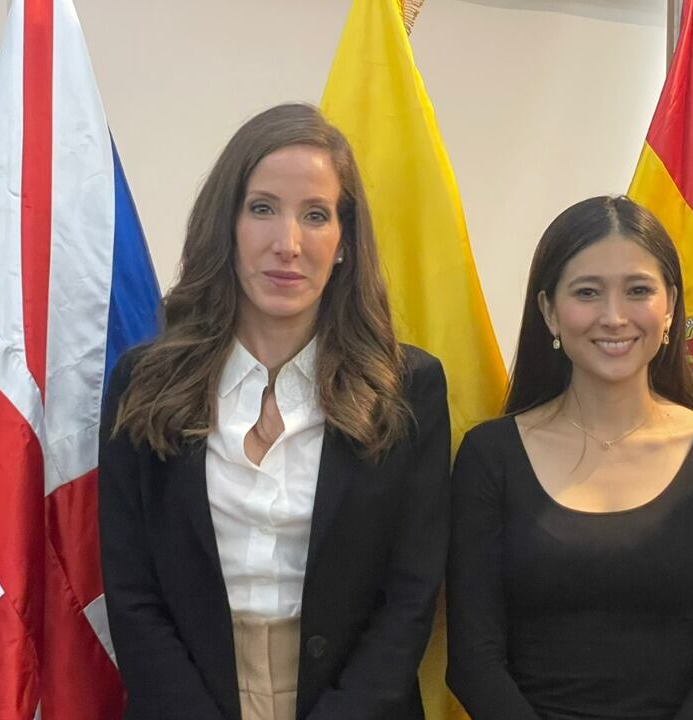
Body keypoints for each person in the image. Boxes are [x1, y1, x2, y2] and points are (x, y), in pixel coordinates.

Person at [98, 103, 450, 720]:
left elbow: (410, 596)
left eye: (315, 215)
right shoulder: (146, 382)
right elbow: (132, 594)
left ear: (344, 242)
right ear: (226, 226)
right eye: (262, 208)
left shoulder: (407, 387)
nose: (287, 244)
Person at [446, 195, 693, 719]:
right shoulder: (490, 455)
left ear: (670, 306)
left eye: (638, 290)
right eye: (587, 293)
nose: (614, 317)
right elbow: (472, 662)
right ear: (549, 311)